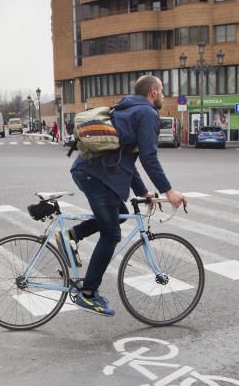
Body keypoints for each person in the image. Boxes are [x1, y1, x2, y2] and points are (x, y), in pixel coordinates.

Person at [62, 74, 186, 316]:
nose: (163, 94)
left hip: (92, 173)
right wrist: (168, 191)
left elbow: (126, 157)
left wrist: (143, 192)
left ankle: (72, 235)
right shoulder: (147, 113)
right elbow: (149, 158)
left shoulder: (126, 106)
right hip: (95, 176)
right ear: (153, 92)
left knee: (119, 214)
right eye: (161, 90)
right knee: (111, 234)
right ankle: (88, 294)